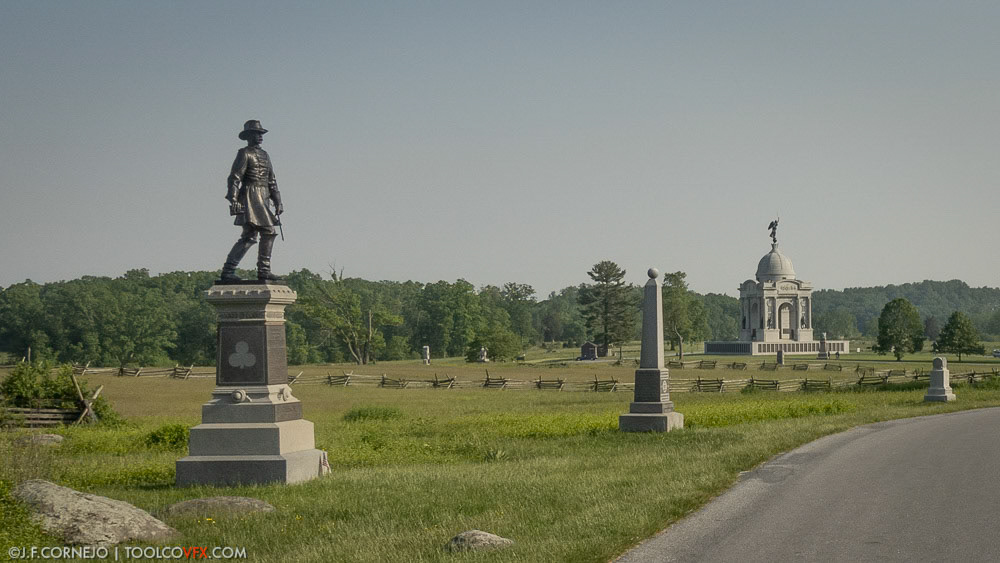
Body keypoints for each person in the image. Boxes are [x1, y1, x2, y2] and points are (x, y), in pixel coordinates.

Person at [220, 120, 284, 282]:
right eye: (257, 133)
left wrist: (278, 201)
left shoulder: (265, 155)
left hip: (264, 196)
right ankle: (259, 270)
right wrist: (234, 199)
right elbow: (235, 178)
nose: (260, 136)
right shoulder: (244, 153)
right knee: (264, 232)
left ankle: (233, 271)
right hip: (250, 195)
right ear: (249, 136)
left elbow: (272, 180)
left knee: (251, 235)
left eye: (261, 134)